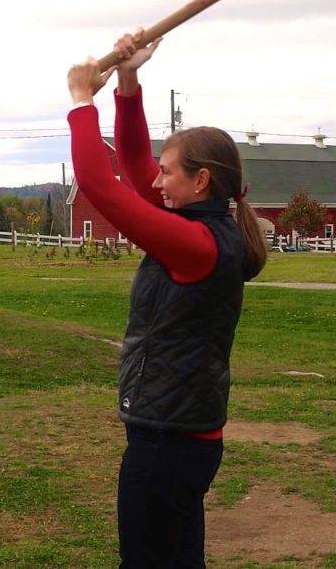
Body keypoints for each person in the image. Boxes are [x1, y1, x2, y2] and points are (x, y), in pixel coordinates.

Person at [66, 29, 268, 568]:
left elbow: (99, 182)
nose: (156, 181)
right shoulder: (196, 225)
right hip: (180, 437)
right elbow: (132, 162)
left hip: (168, 444)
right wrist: (128, 83)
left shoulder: (196, 243)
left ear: (201, 181)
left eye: (169, 171)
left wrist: (82, 102)